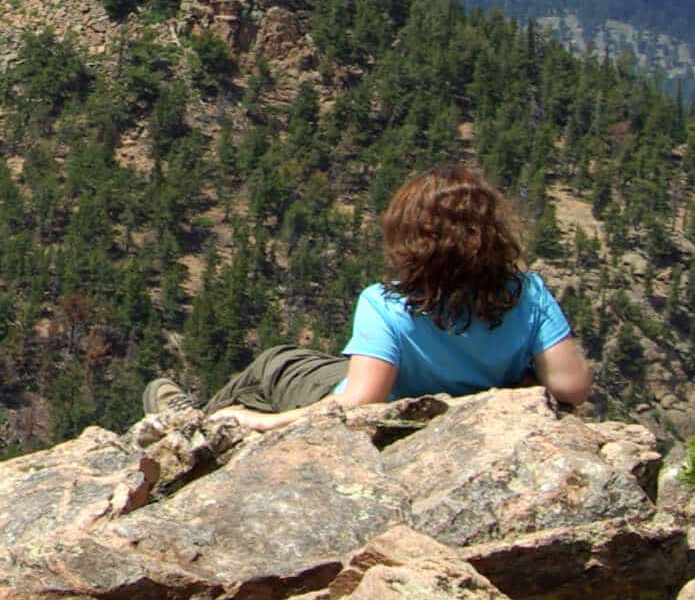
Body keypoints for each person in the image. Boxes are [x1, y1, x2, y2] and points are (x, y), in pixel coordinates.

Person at [143, 162, 593, 430]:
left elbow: (360, 402)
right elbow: (571, 387)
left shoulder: (386, 304)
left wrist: (264, 425)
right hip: (467, 403)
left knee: (274, 364)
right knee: (307, 361)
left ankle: (195, 425)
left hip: (389, 399)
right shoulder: (527, 294)